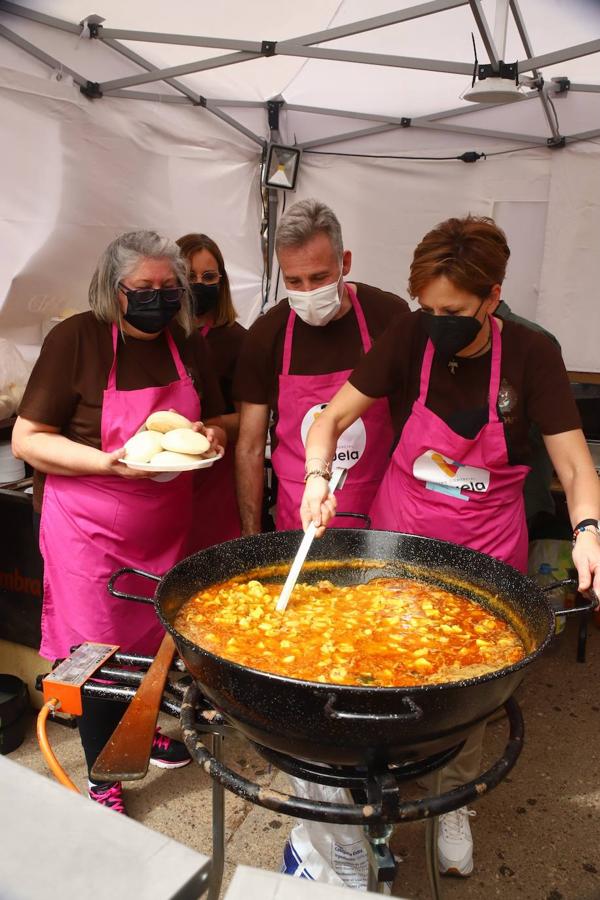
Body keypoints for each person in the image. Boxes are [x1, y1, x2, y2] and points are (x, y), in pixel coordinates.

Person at [300, 215, 600, 878]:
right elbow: (330, 419)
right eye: (428, 308)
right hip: (401, 536)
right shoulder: (410, 337)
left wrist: (588, 533)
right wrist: (317, 478)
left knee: (469, 686)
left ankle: (450, 800)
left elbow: (578, 469)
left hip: (486, 545)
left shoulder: (531, 354)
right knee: (379, 665)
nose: (438, 321)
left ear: (493, 296)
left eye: (455, 311)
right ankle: (378, 785)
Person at [13, 230, 226, 814]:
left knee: (153, 642)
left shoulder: (184, 342)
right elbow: (27, 440)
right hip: (90, 529)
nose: (160, 299)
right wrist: (107, 462)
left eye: (169, 287)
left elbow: (210, 420)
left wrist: (212, 435)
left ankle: (140, 732)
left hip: (163, 524)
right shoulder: (76, 339)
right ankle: (103, 770)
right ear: (114, 290)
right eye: (144, 289)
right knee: (100, 651)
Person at [234, 198, 409, 535]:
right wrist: (251, 536)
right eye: (294, 282)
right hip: (300, 518)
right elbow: (251, 446)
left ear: (345, 262)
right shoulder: (266, 334)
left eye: (319, 277)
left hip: (380, 517)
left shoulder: (389, 318)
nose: (308, 292)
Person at [176, 233, 245, 550]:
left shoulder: (238, 340)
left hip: (216, 469)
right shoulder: (164, 339)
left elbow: (252, 419)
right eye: (189, 277)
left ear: (222, 281)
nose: (198, 285)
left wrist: (210, 425)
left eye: (208, 277)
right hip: (169, 471)